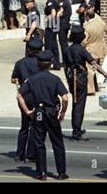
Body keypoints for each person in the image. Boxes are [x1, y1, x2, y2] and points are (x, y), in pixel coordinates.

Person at [17, 50, 69, 181]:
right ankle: (61, 172)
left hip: (38, 112)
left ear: (38, 64)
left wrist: (27, 111)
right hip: (51, 112)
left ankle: (42, 173)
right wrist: (62, 112)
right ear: (50, 64)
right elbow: (65, 98)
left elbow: (19, 95)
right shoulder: (55, 79)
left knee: (39, 143)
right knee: (57, 142)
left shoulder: (32, 79)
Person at [64, 25, 107, 140]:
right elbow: (94, 64)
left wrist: (68, 80)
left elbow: (66, 67)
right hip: (80, 78)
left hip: (72, 78)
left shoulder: (67, 50)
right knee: (79, 105)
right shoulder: (81, 50)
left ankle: (76, 127)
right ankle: (76, 131)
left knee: (75, 104)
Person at [11, 38, 43, 162]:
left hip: (24, 97)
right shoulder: (41, 63)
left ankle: (20, 153)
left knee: (24, 126)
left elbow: (13, 79)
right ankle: (30, 154)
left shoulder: (20, 63)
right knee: (35, 126)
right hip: (37, 97)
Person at [83, 9, 107, 95]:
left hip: (90, 49)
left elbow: (84, 40)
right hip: (99, 49)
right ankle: (97, 85)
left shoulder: (87, 26)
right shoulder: (101, 23)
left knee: (89, 70)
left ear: (87, 17)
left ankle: (90, 90)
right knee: (95, 67)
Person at [44, 0, 61, 70]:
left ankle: (48, 64)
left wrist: (47, 19)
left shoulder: (50, 2)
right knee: (54, 46)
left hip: (50, 27)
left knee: (49, 46)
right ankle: (56, 64)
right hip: (55, 26)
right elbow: (61, 9)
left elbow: (53, 13)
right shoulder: (54, 1)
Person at [55, 0, 72, 66]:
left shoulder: (63, 2)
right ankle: (66, 60)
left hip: (63, 24)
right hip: (64, 23)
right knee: (63, 43)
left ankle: (66, 61)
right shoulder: (64, 1)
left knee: (63, 43)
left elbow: (58, 12)